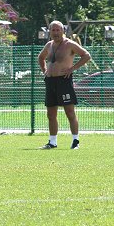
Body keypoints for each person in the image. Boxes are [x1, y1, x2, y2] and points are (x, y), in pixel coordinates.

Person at [38, 20, 91, 150]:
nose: (56, 32)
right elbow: (41, 58)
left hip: (64, 81)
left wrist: (72, 68)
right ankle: (52, 142)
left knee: (70, 112)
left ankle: (75, 141)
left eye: (58, 30)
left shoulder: (69, 44)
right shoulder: (49, 45)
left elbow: (86, 55)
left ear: (63, 31)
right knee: (51, 113)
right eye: (53, 30)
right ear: (49, 32)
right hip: (50, 81)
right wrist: (45, 70)